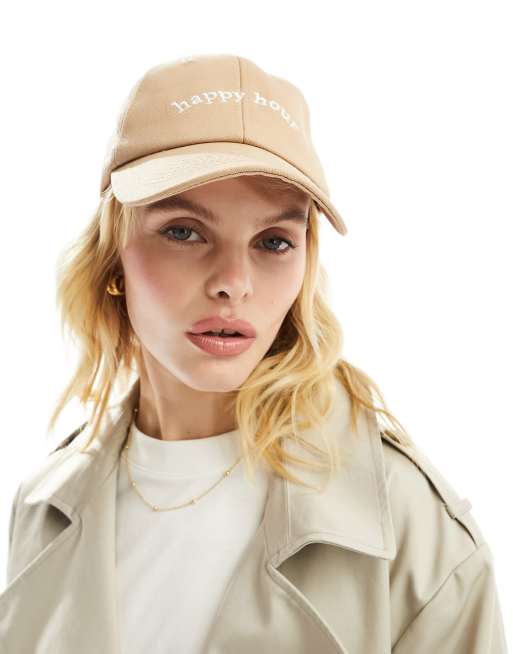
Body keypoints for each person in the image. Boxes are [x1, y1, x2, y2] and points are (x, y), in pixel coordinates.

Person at [1, 54, 508, 654]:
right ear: (114, 256)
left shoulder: (412, 532)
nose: (233, 283)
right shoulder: (43, 508)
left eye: (273, 241)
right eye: (184, 231)